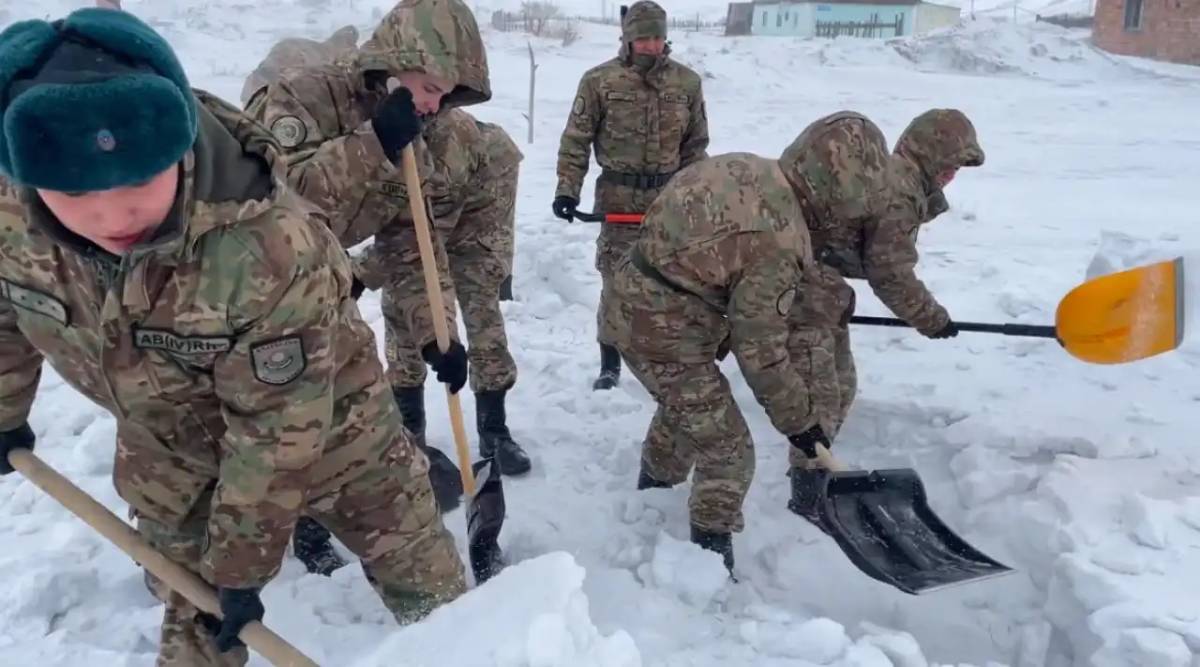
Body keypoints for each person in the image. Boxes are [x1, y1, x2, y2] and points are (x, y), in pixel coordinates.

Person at [0, 9, 465, 665]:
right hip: (172, 446)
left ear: (179, 145)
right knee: (196, 617)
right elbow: (8, 304)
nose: (110, 213)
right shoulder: (12, 206)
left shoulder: (267, 246)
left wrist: (240, 566)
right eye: (74, 192)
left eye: (137, 181)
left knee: (426, 581)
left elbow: (279, 428)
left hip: (334, 425)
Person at [246, 0, 532, 509]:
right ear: (394, 61)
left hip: (322, 276)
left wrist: (435, 332)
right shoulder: (306, 95)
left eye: (442, 97)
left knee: (348, 396)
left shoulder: (416, 137)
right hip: (256, 280)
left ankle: (336, 501)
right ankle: (294, 519)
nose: (431, 106)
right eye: (428, 90)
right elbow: (277, 208)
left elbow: (410, 246)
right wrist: (373, 142)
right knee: (288, 405)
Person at [600, 141, 834, 573]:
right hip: (662, 333)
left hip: (633, 302)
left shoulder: (753, 167)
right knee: (728, 449)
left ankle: (652, 497)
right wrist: (800, 423)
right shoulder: (781, 239)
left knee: (688, 410)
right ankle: (708, 564)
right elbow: (760, 349)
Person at [785, 109, 984, 461]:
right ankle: (809, 482)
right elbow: (889, 273)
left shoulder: (895, 175)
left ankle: (814, 467)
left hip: (815, 281)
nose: (951, 175)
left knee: (841, 384)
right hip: (797, 278)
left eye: (958, 168)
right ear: (928, 153)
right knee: (823, 393)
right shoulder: (901, 192)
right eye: (948, 164)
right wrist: (931, 318)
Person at [552, 0, 709, 391]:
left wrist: (695, 195)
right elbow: (576, 140)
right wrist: (567, 190)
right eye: (643, 38)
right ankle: (610, 363)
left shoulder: (687, 83)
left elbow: (696, 146)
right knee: (616, 282)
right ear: (627, 38)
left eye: (657, 37)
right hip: (618, 198)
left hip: (668, 199)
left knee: (675, 281)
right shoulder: (599, 81)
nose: (651, 46)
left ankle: (669, 355)